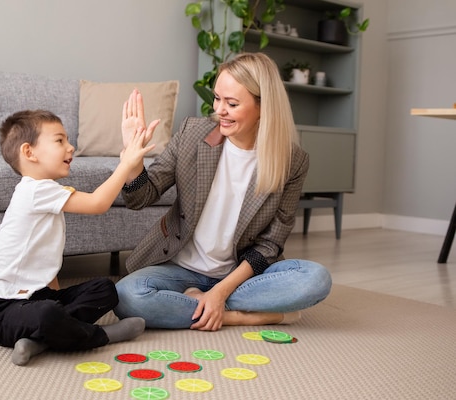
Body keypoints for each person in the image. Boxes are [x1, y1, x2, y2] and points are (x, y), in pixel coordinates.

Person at [114, 52, 332, 331]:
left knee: (316, 279)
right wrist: (132, 160)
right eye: (217, 98)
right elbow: (141, 197)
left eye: (232, 103)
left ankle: (215, 310)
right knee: (126, 295)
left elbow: (270, 245)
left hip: (240, 274)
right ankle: (256, 313)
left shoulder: (292, 162)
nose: (220, 111)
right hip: (181, 269)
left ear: (263, 106)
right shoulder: (193, 133)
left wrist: (220, 293)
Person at [0, 109, 155, 365]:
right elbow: (97, 203)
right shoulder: (35, 190)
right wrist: (126, 164)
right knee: (48, 313)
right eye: (60, 140)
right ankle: (100, 336)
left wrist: (57, 300)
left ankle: (40, 340)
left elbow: (42, 262)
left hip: (39, 298)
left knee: (104, 289)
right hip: (3, 311)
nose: (70, 147)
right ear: (29, 153)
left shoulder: (45, 192)